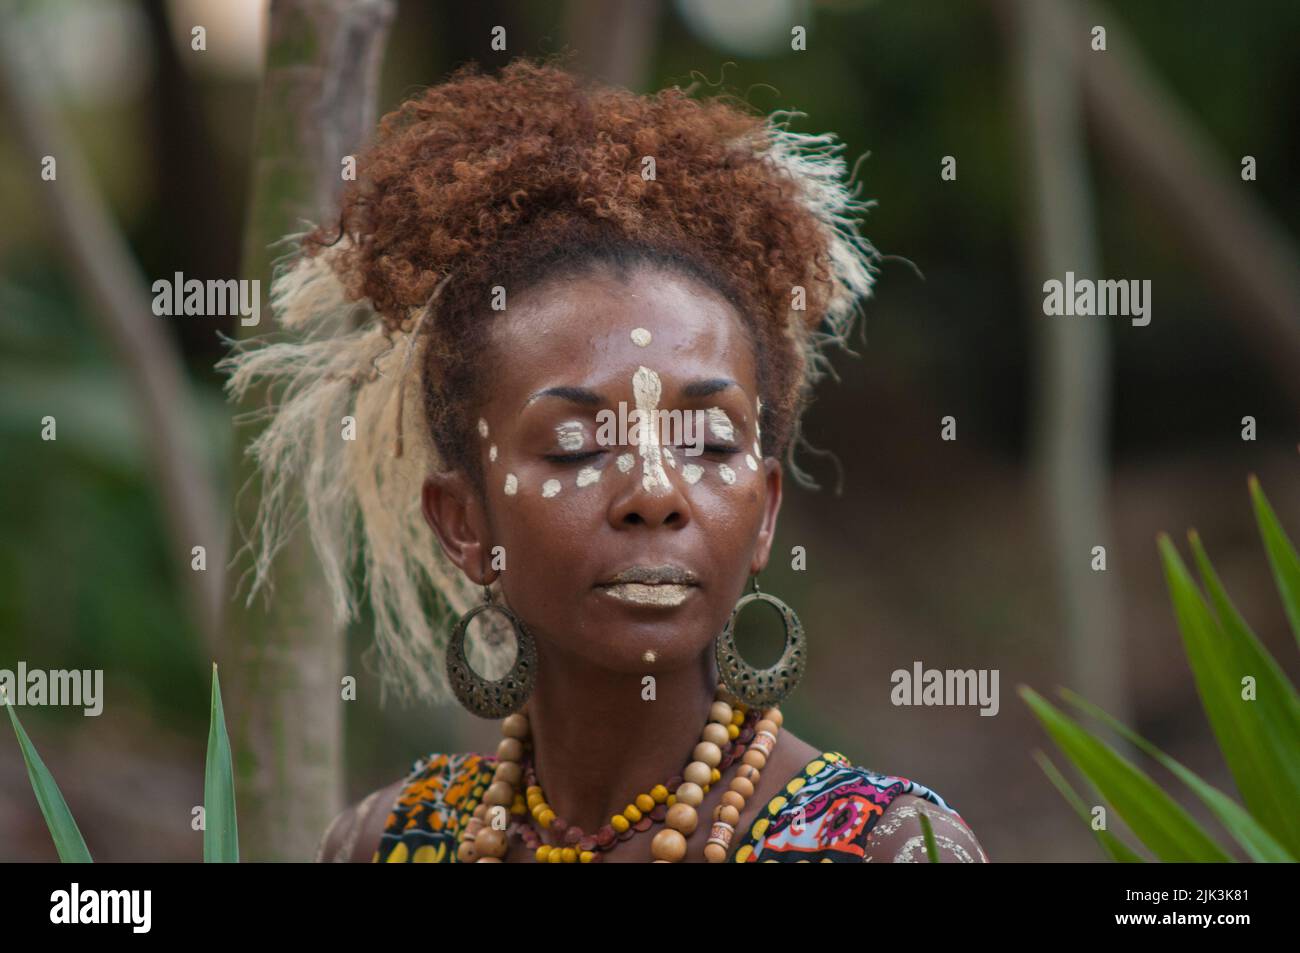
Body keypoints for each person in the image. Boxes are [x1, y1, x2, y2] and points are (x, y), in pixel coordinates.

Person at [220, 58, 987, 863]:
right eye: (577, 444)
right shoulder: (389, 842)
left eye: (707, 442)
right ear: (463, 522)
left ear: (764, 511)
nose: (654, 493)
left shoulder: (888, 848)